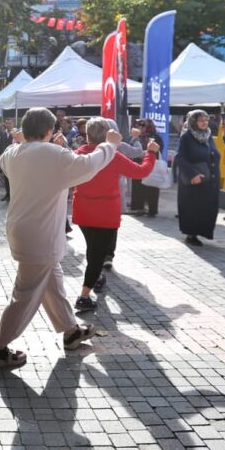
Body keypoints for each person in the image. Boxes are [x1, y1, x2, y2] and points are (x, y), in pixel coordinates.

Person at [0, 108, 117, 369]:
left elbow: (22, 156)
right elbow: (88, 166)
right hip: (40, 235)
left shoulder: (12, 153)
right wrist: (109, 145)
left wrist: (39, 145)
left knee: (51, 283)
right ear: (49, 130)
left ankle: (71, 331)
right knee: (25, 296)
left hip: (23, 231)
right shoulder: (54, 154)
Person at [70, 119, 159, 312]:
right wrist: (151, 153)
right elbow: (141, 172)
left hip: (83, 209)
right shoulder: (113, 157)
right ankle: (84, 295)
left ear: (88, 135)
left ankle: (97, 278)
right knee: (97, 255)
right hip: (105, 212)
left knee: (93, 249)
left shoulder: (79, 154)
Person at [176, 110, 222, 246]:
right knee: (193, 208)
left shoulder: (208, 136)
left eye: (206, 120)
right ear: (193, 121)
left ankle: (204, 231)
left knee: (207, 207)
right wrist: (192, 174)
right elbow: (180, 158)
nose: (204, 123)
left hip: (209, 179)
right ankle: (191, 234)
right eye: (201, 120)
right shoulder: (186, 137)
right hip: (194, 181)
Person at [129, 119, 165, 217]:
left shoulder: (155, 137)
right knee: (138, 187)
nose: (140, 128)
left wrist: (149, 152)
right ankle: (138, 208)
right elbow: (130, 148)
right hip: (138, 164)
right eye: (138, 126)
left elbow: (159, 149)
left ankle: (152, 210)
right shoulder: (136, 137)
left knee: (152, 187)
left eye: (143, 126)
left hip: (151, 165)